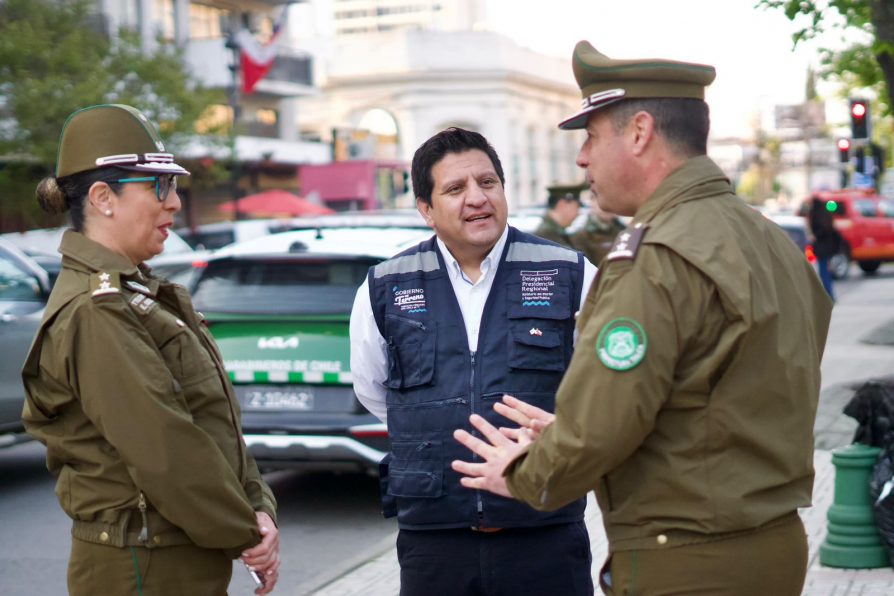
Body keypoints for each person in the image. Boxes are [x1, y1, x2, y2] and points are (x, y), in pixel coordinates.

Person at [451, 42, 833, 596]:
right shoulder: (768, 239)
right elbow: (725, 396)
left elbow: (600, 430)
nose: (581, 158)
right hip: (772, 543)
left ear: (639, 132)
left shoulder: (655, 257)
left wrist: (525, 472)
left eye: (591, 137)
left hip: (689, 562)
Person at [21, 104, 280, 596]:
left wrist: (258, 504)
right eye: (159, 187)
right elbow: (165, 447)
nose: (175, 204)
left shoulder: (137, 294)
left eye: (174, 186)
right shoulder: (96, 309)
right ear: (103, 198)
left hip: (173, 556)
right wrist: (247, 532)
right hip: (142, 567)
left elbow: (211, 419)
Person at [349, 127, 597, 595]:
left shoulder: (571, 273)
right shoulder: (385, 286)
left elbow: (604, 391)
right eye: (455, 189)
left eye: (488, 183)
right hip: (434, 543)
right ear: (426, 208)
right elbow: (373, 388)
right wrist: (441, 422)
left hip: (544, 532)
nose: (477, 198)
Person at [571, 191, 627, 265]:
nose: (608, 206)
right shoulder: (580, 235)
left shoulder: (624, 232)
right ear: (592, 202)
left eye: (612, 200)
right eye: (603, 200)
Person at [808, 194, 843, 300]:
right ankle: (830, 294)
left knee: (823, 272)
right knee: (826, 272)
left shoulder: (816, 215)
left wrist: (815, 236)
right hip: (828, 248)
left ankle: (829, 295)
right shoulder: (826, 214)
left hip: (821, 248)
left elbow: (820, 231)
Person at [533, 183, 583, 247]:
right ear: (562, 205)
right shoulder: (548, 236)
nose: (578, 213)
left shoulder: (553, 233)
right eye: (577, 207)